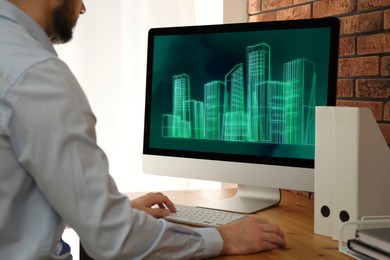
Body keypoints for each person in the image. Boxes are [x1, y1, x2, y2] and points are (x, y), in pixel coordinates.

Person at [0, 0, 286, 258]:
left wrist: (112, 214)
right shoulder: (38, 75)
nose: (83, 8)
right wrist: (222, 239)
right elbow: (111, 239)